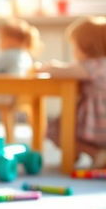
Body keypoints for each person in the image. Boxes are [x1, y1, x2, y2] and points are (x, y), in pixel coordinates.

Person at [36, 16, 106, 168]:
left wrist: (46, 67)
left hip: (96, 123)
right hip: (98, 123)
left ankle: (94, 154)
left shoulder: (92, 66)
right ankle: (97, 155)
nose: (73, 52)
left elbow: (63, 71)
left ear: (86, 46)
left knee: (58, 131)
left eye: (74, 47)